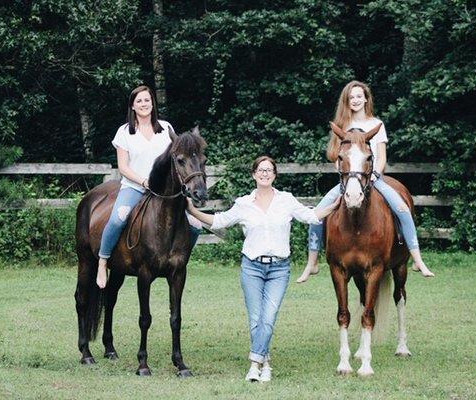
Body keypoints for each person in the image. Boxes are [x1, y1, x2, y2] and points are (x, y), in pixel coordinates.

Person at [186, 156, 339, 382]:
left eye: (269, 170)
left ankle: (254, 364)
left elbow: (311, 216)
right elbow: (219, 221)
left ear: (275, 175)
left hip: (279, 269)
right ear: (254, 174)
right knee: (256, 320)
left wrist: (336, 204)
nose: (265, 173)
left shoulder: (286, 200)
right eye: (261, 170)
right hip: (252, 269)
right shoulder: (243, 204)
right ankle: (264, 365)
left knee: (268, 319)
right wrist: (192, 210)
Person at [296, 80, 434, 284]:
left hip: (373, 178)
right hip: (348, 180)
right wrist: (345, 176)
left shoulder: (376, 124)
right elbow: (337, 157)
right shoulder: (343, 125)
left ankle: (416, 258)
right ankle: (312, 262)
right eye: (351, 97)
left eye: (359, 96)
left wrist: (374, 176)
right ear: (347, 100)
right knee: (318, 213)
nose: (355, 100)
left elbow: (382, 156)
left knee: (402, 209)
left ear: (366, 99)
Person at [96, 85, 201, 289]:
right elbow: (123, 167)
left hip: (164, 192)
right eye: (139, 101)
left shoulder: (166, 128)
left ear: (152, 103)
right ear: (133, 106)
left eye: (147, 100)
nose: (144, 104)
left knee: (196, 225)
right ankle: (103, 261)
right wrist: (144, 181)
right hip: (134, 187)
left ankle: (178, 258)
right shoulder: (125, 132)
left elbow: (179, 160)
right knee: (118, 219)